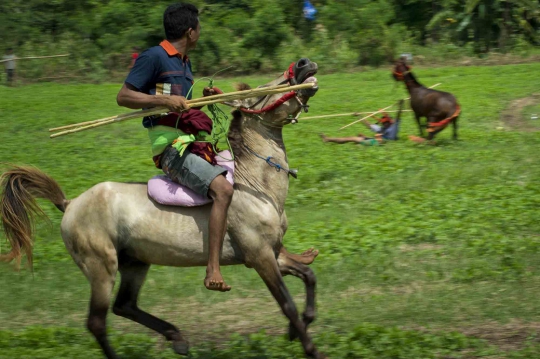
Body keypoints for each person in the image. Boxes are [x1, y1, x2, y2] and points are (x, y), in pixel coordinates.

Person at [116, 3, 233, 292]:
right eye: (199, 27)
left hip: (191, 142)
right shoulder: (154, 57)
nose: (200, 32)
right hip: (171, 151)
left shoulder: (185, 62)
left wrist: (204, 100)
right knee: (223, 190)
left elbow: (184, 107)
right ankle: (212, 268)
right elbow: (123, 96)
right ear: (190, 31)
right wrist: (163, 101)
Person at [320, 100, 403, 145]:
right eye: (383, 122)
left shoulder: (393, 129)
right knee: (355, 137)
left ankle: (327, 139)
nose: (384, 124)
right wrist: (359, 116)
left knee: (351, 138)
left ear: (389, 122)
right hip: (376, 140)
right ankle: (360, 143)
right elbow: (369, 125)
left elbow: (398, 115)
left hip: (378, 142)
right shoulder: (382, 128)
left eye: (385, 122)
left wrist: (400, 106)